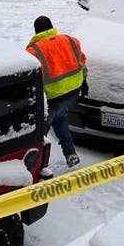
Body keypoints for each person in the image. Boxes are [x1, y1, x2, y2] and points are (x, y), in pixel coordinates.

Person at [26, 16, 87, 168]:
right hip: (73, 92)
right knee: (59, 119)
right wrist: (84, 81)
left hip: (52, 97)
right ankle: (71, 153)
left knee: (39, 132)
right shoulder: (71, 40)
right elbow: (82, 62)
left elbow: (32, 79)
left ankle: (36, 166)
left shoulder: (33, 51)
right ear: (52, 26)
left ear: (36, 31)